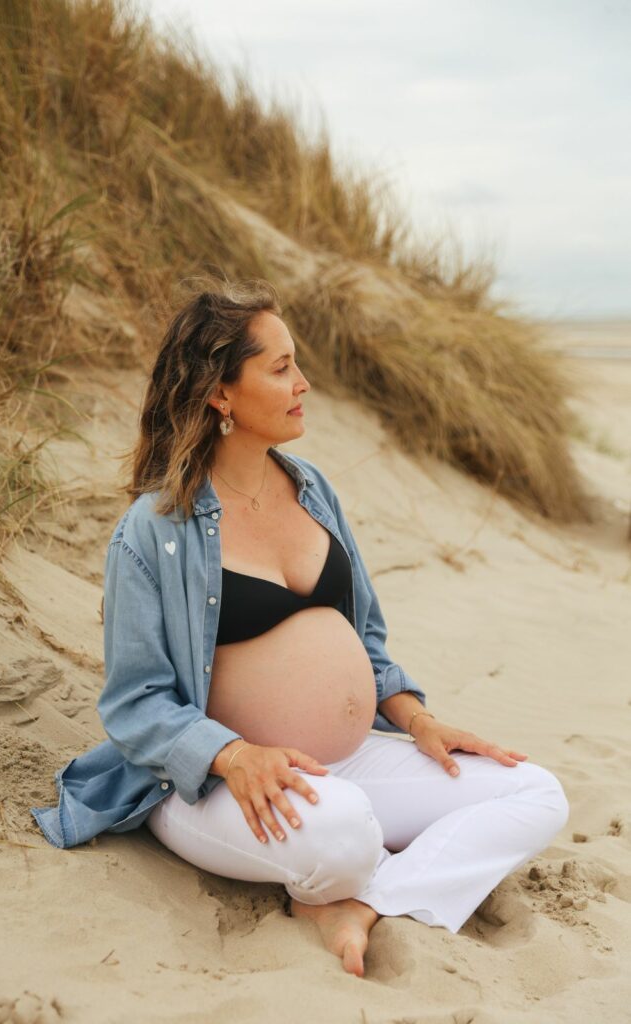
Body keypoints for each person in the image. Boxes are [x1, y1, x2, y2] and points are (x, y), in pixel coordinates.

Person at [31, 280, 569, 978]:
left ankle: (362, 902)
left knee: (533, 790)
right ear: (219, 393)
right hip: (211, 786)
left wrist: (417, 719)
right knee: (345, 828)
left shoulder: (312, 489)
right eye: (281, 367)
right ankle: (356, 874)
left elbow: (365, 640)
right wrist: (233, 756)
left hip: (343, 762)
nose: (303, 383)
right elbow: (136, 703)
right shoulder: (155, 529)